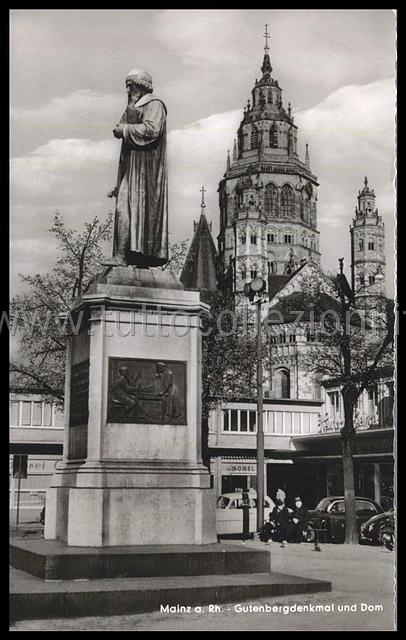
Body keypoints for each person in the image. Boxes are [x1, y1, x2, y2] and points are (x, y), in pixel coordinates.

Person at [104, 69, 168, 268]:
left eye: (130, 86)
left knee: (129, 210)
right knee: (124, 209)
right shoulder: (133, 106)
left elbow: (152, 130)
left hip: (145, 173)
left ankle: (126, 256)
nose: (127, 91)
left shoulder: (154, 104)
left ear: (139, 87)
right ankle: (125, 255)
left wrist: (124, 130)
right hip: (131, 171)